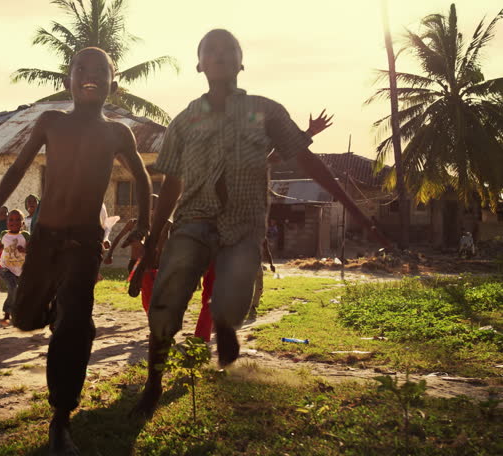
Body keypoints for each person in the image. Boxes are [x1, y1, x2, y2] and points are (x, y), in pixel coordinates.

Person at [130, 29, 391, 418]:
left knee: (233, 294)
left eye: (228, 49)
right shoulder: (185, 120)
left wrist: (350, 205)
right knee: (165, 305)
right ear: (199, 64)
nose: (219, 55)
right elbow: (170, 182)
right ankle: (152, 386)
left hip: (242, 224)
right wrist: (152, 241)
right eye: (210, 50)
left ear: (241, 61)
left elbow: (303, 157)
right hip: (193, 220)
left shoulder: (265, 110)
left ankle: (226, 326)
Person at [0, 47, 151, 455]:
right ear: (67, 80)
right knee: (24, 318)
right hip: (46, 238)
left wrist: (146, 227)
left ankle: (60, 417)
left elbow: (141, 177)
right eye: (80, 69)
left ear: (113, 82)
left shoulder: (117, 133)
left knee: (70, 325)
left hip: (84, 241)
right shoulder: (50, 122)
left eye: (99, 71)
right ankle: (69, 318)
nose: (89, 76)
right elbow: (18, 169)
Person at [0, 209, 29, 325]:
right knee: (13, 287)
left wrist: (25, 250)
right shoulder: (3, 234)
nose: (14, 222)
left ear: (22, 223)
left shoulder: (25, 235)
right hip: (6, 268)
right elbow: (1, 246)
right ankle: (7, 313)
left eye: (17, 220)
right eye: (11, 219)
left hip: (20, 269)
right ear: (7, 222)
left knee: (20, 292)